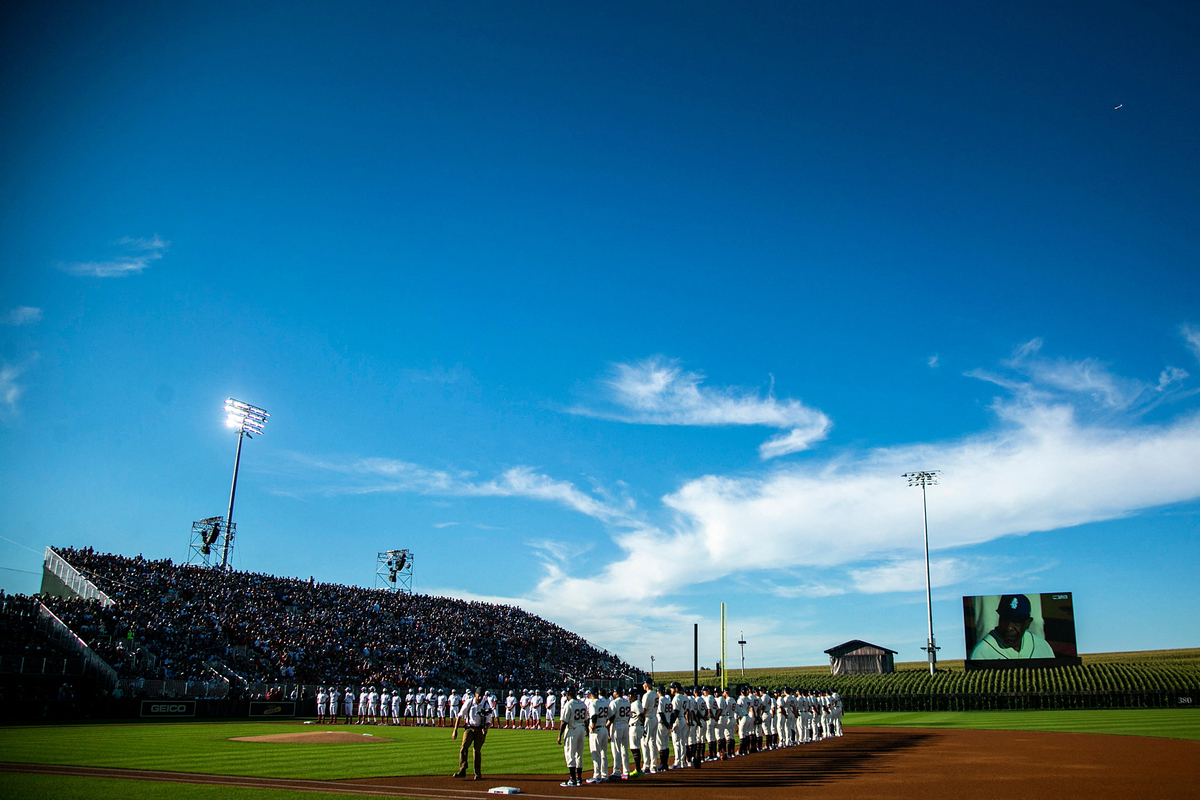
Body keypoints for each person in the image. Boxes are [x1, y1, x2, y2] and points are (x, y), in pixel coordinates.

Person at [970, 594, 1056, 660]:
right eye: (1005, 620)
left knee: (1037, 625)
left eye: (1017, 622)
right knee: (987, 625)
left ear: (1028, 622)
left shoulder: (1043, 646)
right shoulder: (980, 653)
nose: (1009, 628)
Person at [451, 687, 494, 780]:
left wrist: (485, 729)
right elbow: (459, 716)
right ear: (475, 694)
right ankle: (462, 769)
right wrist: (455, 730)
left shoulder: (486, 705)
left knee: (476, 750)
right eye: (479, 696)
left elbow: (488, 721)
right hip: (469, 728)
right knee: (464, 746)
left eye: (482, 696)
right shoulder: (469, 702)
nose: (480, 698)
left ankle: (477, 773)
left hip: (480, 730)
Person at [558, 688, 588, 787]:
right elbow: (586, 720)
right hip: (581, 729)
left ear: (568, 694)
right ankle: (579, 778)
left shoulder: (569, 704)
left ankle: (572, 779)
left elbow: (564, 722)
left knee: (570, 753)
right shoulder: (582, 703)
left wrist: (559, 735)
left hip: (572, 729)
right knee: (579, 754)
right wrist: (587, 731)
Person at [585, 688, 611, 783]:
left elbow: (594, 716)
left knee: (595, 753)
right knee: (604, 753)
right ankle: (605, 774)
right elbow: (611, 716)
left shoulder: (593, 704)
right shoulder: (604, 703)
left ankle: (597, 776)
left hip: (597, 730)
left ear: (591, 695)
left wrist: (592, 726)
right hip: (604, 728)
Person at [608, 688, 631, 780]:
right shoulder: (627, 702)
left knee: (616, 749)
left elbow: (611, 716)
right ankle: (626, 770)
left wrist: (607, 726)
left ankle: (617, 771)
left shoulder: (614, 703)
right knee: (624, 748)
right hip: (625, 724)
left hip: (617, 725)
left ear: (617, 693)